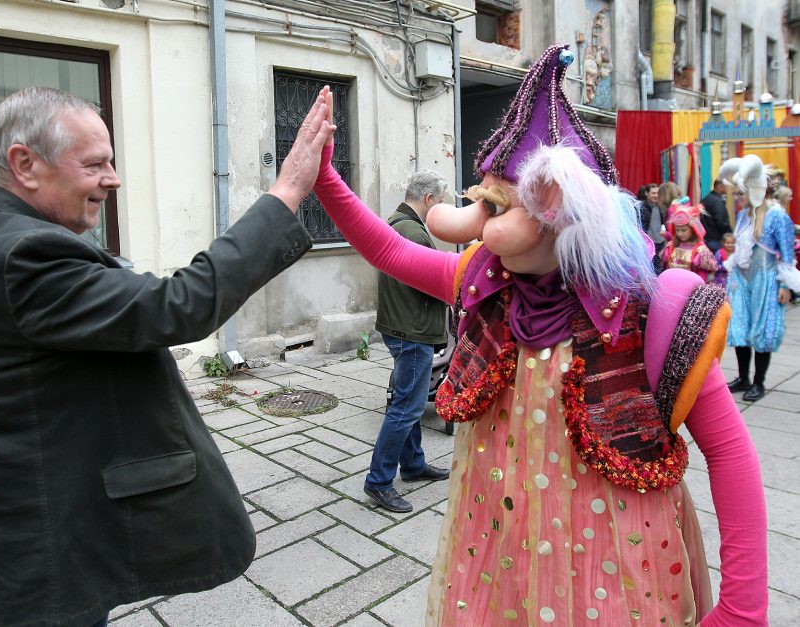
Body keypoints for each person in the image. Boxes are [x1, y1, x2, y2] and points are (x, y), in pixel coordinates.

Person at [312, 44, 767, 626]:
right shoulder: (486, 283)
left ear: (554, 206)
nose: (471, 220)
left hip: (618, 569)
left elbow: (731, 455)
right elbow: (391, 249)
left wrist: (744, 608)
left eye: (493, 206)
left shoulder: (646, 313)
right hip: (502, 556)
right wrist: (326, 179)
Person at [0, 87, 333, 626]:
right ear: (25, 164)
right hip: (35, 555)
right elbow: (177, 307)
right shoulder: (24, 253)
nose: (112, 179)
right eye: (95, 164)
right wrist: (288, 191)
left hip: (18, 537)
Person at [364, 170, 451, 514]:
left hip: (401, 325)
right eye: (440, 202)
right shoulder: (413, 231)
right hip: (412, 330)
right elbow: (429, 281)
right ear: (428, 199)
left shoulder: (397, 222)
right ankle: (379, 481)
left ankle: (413, 465)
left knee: (409, 402)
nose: (441, 210)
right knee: (405, 408)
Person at [720, 157, 800, 402]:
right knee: (740, 327)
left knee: (764, 330)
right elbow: (741, 248)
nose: (737, 198)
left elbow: (787, 254)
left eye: (741, 194)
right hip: (742, 279)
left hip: (767, 279)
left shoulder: (777, 216)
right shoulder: (745, 215)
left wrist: (786, 285)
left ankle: (759, 382)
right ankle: (743, 377)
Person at [659, 197, 718, 282]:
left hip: (691, 290)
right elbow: (665, 271)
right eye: (677, 230)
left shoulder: (700, 251)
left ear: (693, 229)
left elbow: (702, 279)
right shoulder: (670, 246)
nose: (680, 233)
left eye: (684, 230)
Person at [699, 179, 733, 252]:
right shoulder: (717, 202)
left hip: (706, 239)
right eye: (726, 187)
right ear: (720, 187)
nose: (727, 189)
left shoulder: (706, 199)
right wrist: (730, 235)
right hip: (716, 240)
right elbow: (721, 222)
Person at [637, 182, 663, 271]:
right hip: (646, 245)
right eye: (653, 193)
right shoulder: (641, 208)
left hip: (658, 244)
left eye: (657, 193)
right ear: (646, 193)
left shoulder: (659, 207)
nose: (656, 195)